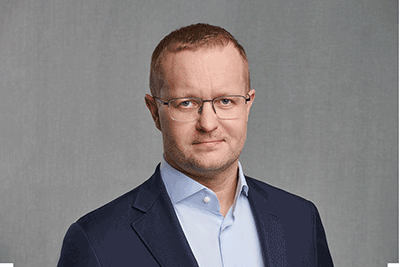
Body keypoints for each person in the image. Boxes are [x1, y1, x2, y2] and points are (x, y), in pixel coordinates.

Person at [57, 23, 334, 267]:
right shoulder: (97, 242)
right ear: (155, 111)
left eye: (226, 101)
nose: (208, 123)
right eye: (186, 103)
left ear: (247, 104)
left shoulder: (299, 220)